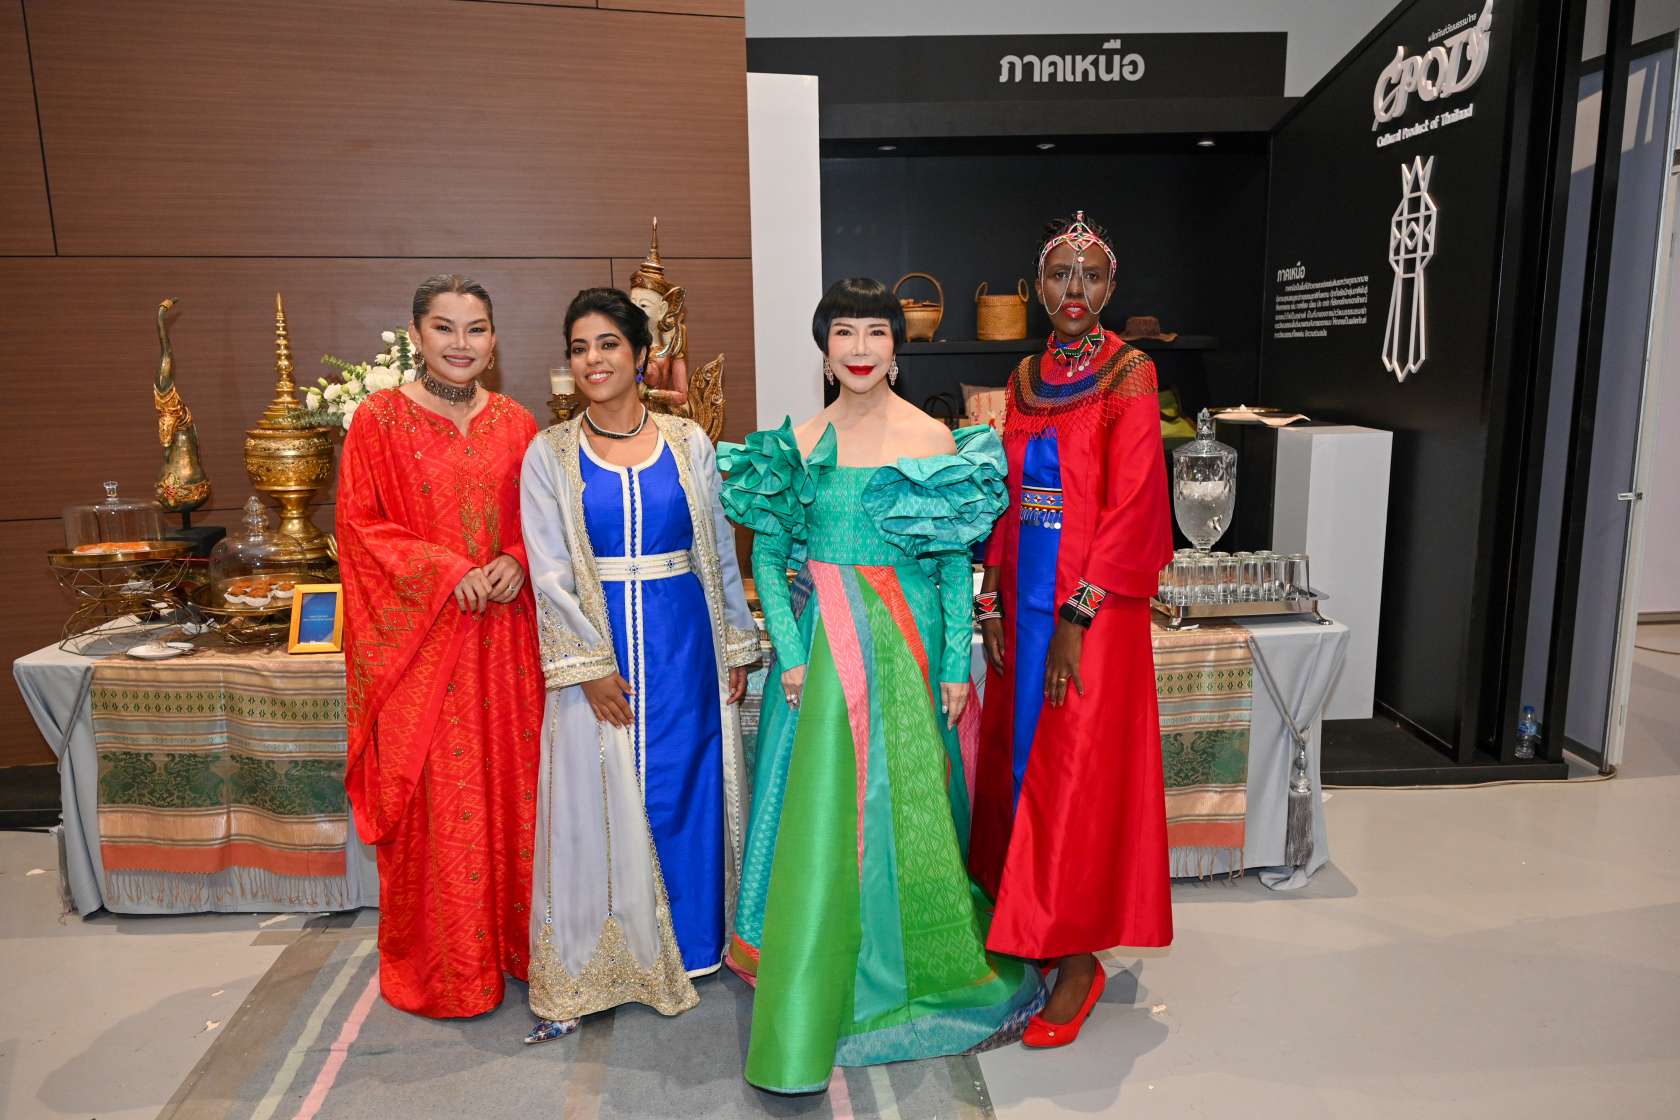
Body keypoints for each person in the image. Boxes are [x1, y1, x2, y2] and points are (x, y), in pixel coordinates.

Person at [720, 277, 1043, 1094]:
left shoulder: (931, 437)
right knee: (823, 805)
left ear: (898, 346)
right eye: (844, 333)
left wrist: (954, 662)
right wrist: (791, 653)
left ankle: (905, 955)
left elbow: (948, 564)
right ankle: (810, 947)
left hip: (903, 643)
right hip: (822, 652)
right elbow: (769, 557)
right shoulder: (798, 441)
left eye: (875, 332)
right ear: (824, 348)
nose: (860, 349)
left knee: (904, 799)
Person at [519, 287, 759, 1044]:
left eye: (608, 344)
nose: (593, 360)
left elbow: (718, 548)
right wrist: (588, 665)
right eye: (579, 348)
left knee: (687, 783)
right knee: (600, 791)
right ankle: (613, 956)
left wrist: (735, 639)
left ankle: (692, 943)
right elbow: (548, 568)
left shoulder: (689, 443)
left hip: (684, 639)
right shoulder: (550, 454)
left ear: (642, 355)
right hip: (600, 652)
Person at [969, 212, 1175, 1048]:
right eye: (1061, 274)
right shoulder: (1024, 377)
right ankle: (1033, 924)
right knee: (1022, 764)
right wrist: (991, 599)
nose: (1076, 289)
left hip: (1094, 613)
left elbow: (1135, 504)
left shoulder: (1131, 372)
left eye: (1091, 274)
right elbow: (1008, 496)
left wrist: (1076, 618)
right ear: (1038, 288)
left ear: (1112, 286)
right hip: (1024, 604)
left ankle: (1080, 957)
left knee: (1078, 774)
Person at [338, 274, 543, 1018]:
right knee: (442, 803)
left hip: (508, 647)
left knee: (518, 793)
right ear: (416, 335)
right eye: (445, 328)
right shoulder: (379, 420)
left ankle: (521, 950)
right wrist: (444, 570)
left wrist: (518, 557)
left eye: (476, 328)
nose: (462, 344)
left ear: (494, 339)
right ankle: (453, 969)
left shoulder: (519, 423)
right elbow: (359, 527)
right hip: (426, 654)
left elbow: (549, 521)